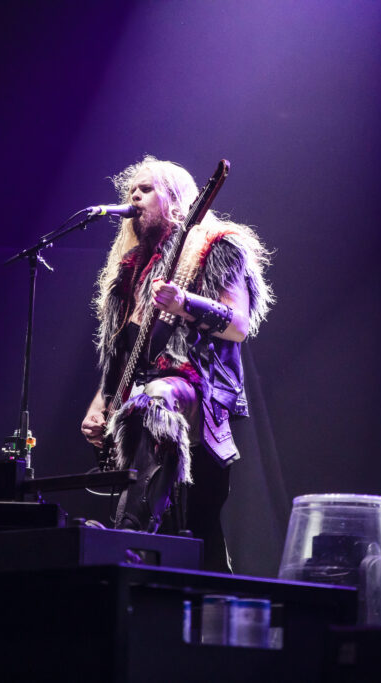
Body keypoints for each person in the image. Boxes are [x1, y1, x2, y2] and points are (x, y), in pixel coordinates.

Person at [80, 156, 273, 573]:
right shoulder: (131, 271)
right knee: (199, 536)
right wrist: (102, 403)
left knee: (157, 397)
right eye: (131, 189)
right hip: (142, 401)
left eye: (146, 189)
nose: (134, 195)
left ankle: (127, 532)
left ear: (175, 199)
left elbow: (239, 324)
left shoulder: (214, 245)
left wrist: (185, 303)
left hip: (196, 390)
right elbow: (125, 350)